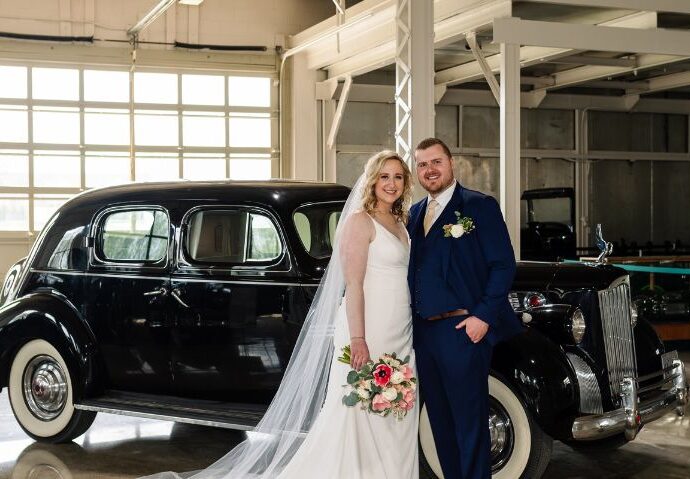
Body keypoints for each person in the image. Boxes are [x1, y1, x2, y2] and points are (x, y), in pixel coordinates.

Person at [142, 150, 417, 479]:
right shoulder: (360, 221)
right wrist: (358, 338)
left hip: (399, 329)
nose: (391, 183)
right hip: (367, 329)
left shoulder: (401, 221)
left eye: (398, 176)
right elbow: (354, 285)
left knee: (396, 410)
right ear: (372, 181)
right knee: (359, 409)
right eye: (384, 176)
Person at [408, 138, 522, 479]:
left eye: (436, 161)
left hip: (462, 331)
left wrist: (483, 317)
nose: (430, 170)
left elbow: (503, 265)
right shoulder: (414, 214)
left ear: (451, 163)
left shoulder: (478, 206)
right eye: (422, 164)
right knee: (440, 422)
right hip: (424, 334)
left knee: (469, 423)